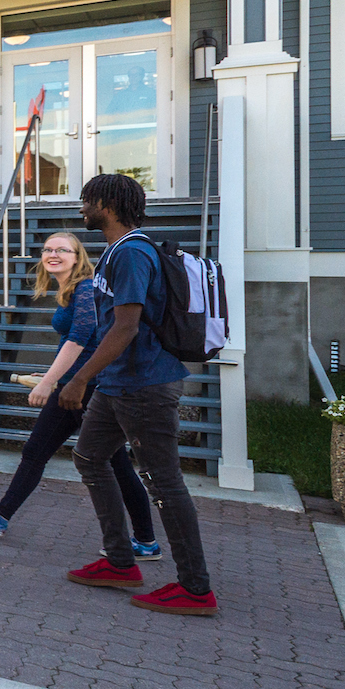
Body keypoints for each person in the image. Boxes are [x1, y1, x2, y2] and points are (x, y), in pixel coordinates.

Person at [58, 173, 217, 616]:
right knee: (89, 456)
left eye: (87, 200)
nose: (81, 207)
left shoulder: (131, 252)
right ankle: (120, 562)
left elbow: (126, 327)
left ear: (107, 204)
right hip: (120, 384)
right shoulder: (116, 251)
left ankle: (195, 588)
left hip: (145, 385)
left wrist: (78, 378)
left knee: (164, 481)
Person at [0, 231, 159, 559]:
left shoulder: (86, 287)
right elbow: (78, 342)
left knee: (111, 462)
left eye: (62, 250)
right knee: (45, 453)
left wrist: (50, 382)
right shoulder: (71, 290)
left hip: (87, 387)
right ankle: (1, 514)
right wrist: (53, 375)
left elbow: (81, 337)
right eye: (48, 249)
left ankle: (146, 541)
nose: (53, 254)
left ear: (77, 257)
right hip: (79, 382)